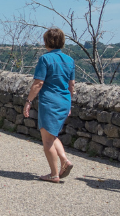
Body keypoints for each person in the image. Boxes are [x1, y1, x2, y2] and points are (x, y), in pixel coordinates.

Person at [23, 27, 76, 183]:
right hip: (64, 101)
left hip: (49, 102)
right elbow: (71, 85)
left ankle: (54, 174)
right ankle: (65, 160)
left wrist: (28, 101)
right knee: (52, 134)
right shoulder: (70, 60)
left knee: (47, 140)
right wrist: (69, 104)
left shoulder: (45, 59)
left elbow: (38, 83)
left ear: (47, 41)